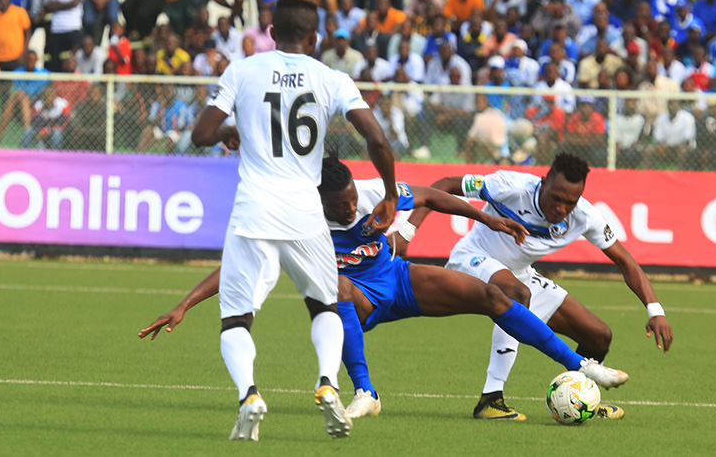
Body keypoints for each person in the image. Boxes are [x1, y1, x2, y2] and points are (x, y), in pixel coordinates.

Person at [140, 155, 629, 420]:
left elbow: (437, 195)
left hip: (399, 279)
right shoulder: (295, 221)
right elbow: (236, 266)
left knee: (493, 298)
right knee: (334, 288)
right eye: (342, 204)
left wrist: (489, 221)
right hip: (363, 300)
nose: (352, 207)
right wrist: (184, 305)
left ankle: (580, 366)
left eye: (354, 195)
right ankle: (366, 393)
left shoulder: (374, 194)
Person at [186, 0, 398, 441]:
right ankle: (327, 383)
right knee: (323, 305)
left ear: (271, 34)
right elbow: (377, 138)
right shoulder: (332, 78)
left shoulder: (243, 69)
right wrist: (391, 193)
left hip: (255, 208)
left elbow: (201, 134)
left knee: (236, 318)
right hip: (306, 209)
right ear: (316, 37)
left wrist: (229, 131)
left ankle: (249, 394)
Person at [398, 153, 673, 421]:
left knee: (598, 336)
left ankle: (581, 399)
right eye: (556, 198)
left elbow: (625, 261)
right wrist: (407, 231)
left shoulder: (585, 216)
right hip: (473, 258)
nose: (562, 208)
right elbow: (444, 185)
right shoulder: (509, 186)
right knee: (517, 294)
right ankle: (491, 399)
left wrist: (655, 310)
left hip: (520, 275)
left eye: (570, 202)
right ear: (544, 182)